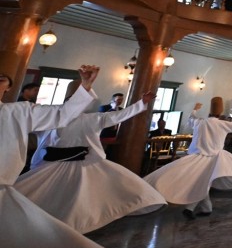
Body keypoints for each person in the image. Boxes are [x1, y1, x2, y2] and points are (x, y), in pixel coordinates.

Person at [0, 65, 124, 248]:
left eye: (1, 78)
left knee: (27, 232)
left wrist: (85, 87)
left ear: (9, 87)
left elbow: (61, 114)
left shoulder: (17, 112)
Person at [15, 92, 166, 233]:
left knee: (82, 193)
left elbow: (118, 115)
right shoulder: (54, 119)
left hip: (83, 161)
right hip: (56, 162)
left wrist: (141, 103)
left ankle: (73, 220)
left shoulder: (90, 118)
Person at [143, 97, 232, 218]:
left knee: (202, 182)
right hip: (214, 158)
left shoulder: (200, 122)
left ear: (209, 112)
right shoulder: (222, 124)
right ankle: (195, 208)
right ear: (220, 113)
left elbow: (191, 119)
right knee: (203, 182)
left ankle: (203, 208)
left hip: (197, 157)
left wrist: (194, 110)